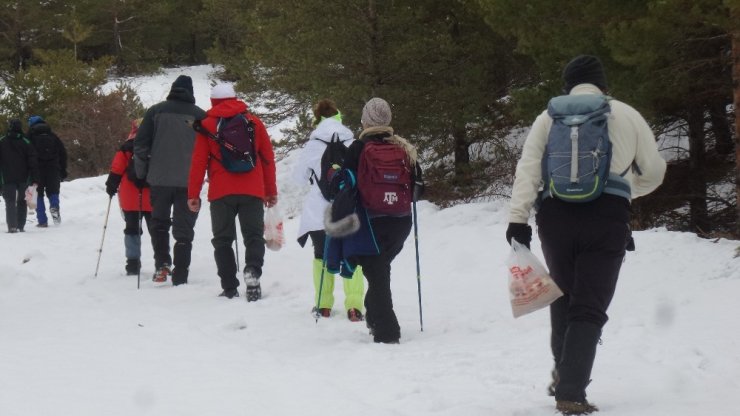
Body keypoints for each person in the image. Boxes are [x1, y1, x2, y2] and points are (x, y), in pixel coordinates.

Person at [506, 55, 667, 415]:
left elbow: (528, 169)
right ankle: (571, 391)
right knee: (589, 305)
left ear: (567, 86)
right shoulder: (626, 114)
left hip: (556, 217)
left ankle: (564, 375)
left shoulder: (548, 117)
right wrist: (623, 188)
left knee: (563, 294)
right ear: (603, 85)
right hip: (606, 217)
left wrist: (518, 219)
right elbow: (654, 172)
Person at [326, 97, 422, 344]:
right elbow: (418, 186)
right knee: (379, 270)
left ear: (366, 120)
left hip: (371, 222)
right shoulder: (403, 148)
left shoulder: (359, 148)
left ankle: (388, 330)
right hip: (400, 221)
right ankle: (375, 319)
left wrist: (333, 173)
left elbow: (342, 184)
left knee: (378, 274)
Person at [187, 83, 277, 300]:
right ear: (235, 98)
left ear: (213, 102)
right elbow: (267, 159)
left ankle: (229, 287)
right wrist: (270, 190)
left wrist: (193, 194)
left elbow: (198, 162)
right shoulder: (254, 122)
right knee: (254, 236)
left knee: (223, 239)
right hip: (252, 190)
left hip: (221, 192)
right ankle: (253, 271)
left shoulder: (206, 125)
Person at [293, 99, 365, 321]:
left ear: (319, 119)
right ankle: (354, 307)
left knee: (321, 257)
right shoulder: (352, 141)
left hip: (318, 214)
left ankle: (323, 305)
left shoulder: (313, 144)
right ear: (339, 117)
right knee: (352, 257)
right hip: (348, 210)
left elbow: (297, 178)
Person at [134, 75, 206, 285]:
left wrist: (141, 174)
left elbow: (140, 146)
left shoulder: (156, 111)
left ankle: (162, 264)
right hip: (189, 181)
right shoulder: (200, 115)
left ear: (172, 89)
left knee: (159, 224)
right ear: (191, 92)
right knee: (184, 229)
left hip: (159, 178)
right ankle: (181, 273)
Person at [105, 119, 155, 276]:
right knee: (157, 230)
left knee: (132, 230)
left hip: (130, 197)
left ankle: (133, 264)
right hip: (152, 196)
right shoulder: (157, 144)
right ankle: (162, 261)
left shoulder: (126, 147)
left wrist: (111, 186)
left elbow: (117, 168)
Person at [27, 115, 67, 227]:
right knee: (53, 191)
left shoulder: (30, 136)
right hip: (53, 168)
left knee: (37, 194)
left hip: (36, 170)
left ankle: (42, 221)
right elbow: (63, 153)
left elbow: (26, 154)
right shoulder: (52, 135)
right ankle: (54, 206)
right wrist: (63, 170)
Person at [0, 119, 39, 233]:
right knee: (22, 201)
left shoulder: (2, 141)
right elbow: (33, 162)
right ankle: (20, 226)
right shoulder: (26, 142)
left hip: (6, 177)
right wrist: (35, 178)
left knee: (10, 202)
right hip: (24, 177)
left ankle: (12, 226)